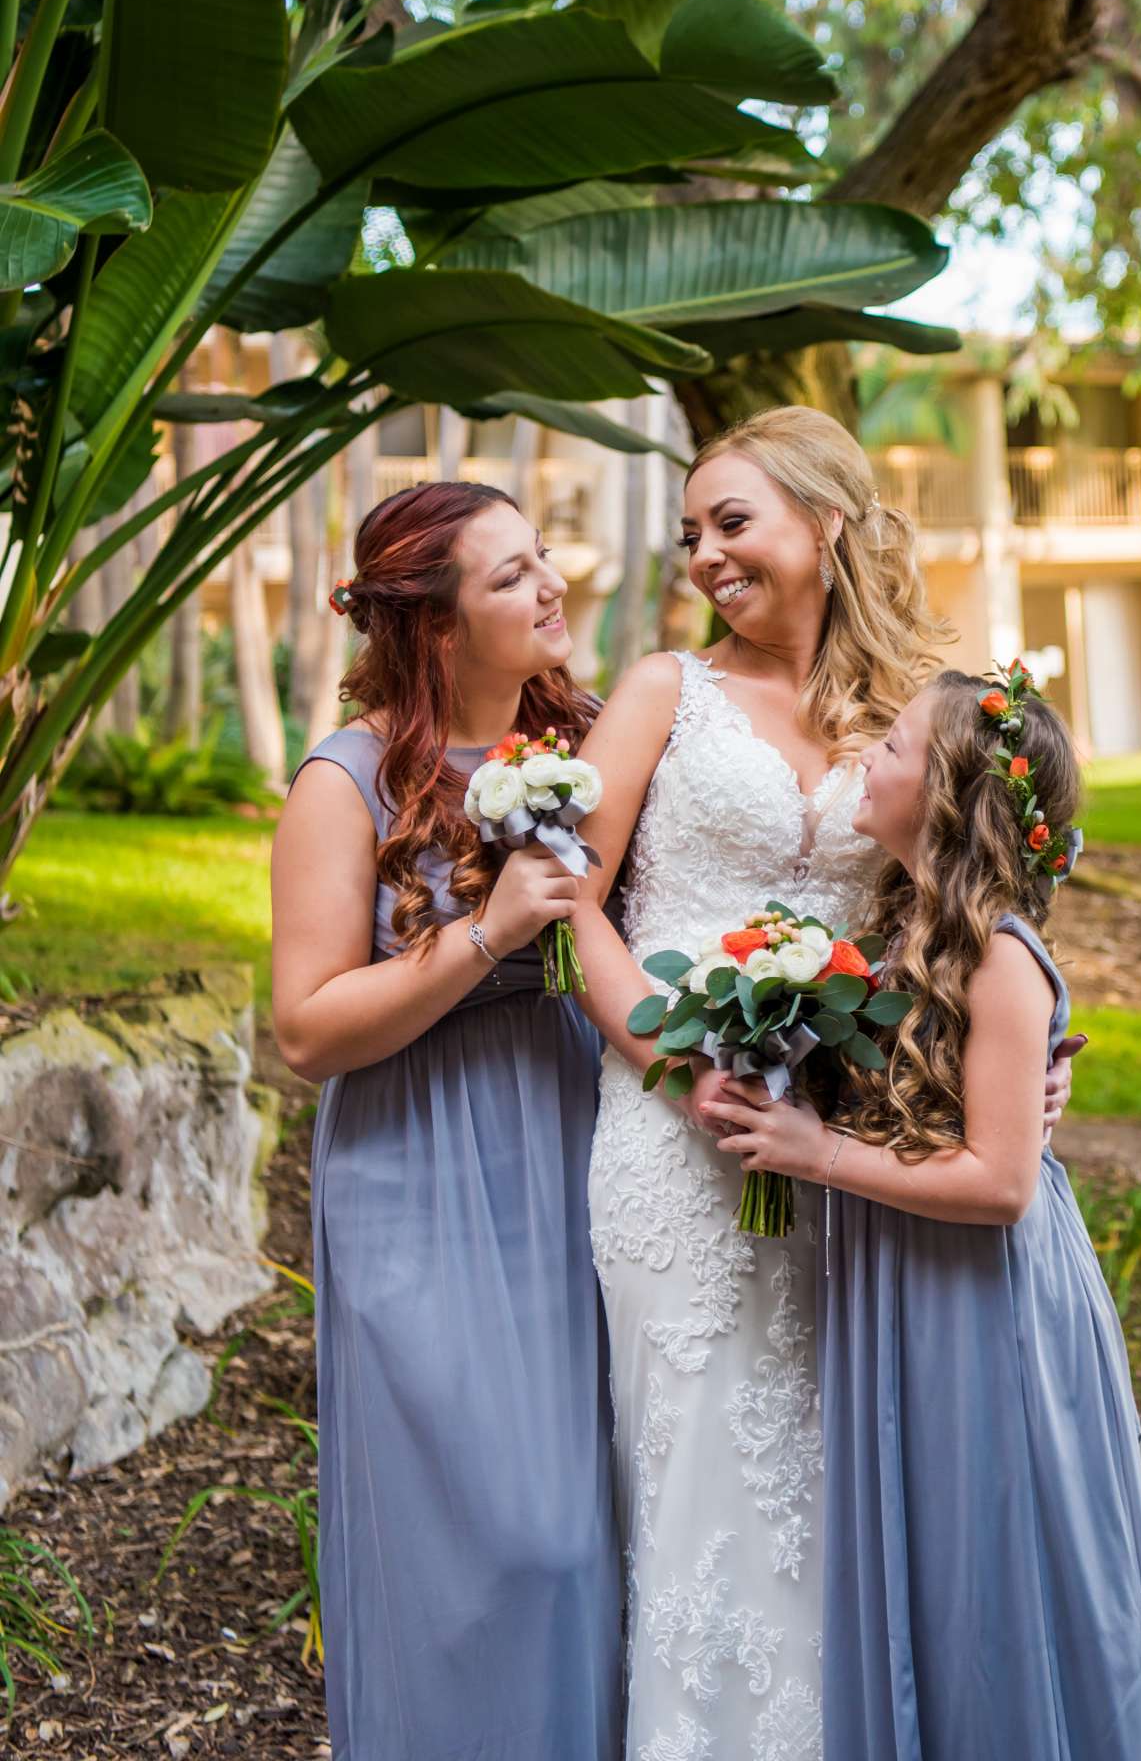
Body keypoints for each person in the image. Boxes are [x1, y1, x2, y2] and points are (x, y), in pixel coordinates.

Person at [710, 666, 1141, 1761]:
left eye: (892, 751)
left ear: (942, 795)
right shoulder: (892, 935)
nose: (866, 760)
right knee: (922, 1554)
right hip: (900, 1281)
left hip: (984, 1305)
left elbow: (1002, 1183)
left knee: (993, 1560)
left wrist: (814, 1152)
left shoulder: (1001, 959)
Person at [569, 410, 1075, 1761]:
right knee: (692, 1463)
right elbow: (573, 912)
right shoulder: (659, 694)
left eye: (731, 521)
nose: (703, 555)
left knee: (846, 1459)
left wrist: (1012, 1071)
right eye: (689, 533)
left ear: (827, 522)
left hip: (849, 1139)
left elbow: (970, 911)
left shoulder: (920, 703)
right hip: (672, 1141)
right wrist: (683, 1074)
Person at [270, 482, 621, 1761]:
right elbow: (307, 1028)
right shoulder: (346, 779)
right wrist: (488, 933)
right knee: (495, 1542)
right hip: (421, 1164)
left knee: (608, 1529)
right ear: (433, 626)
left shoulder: (594, 739)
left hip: (584, 1139)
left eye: (544, 561)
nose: (551, 588)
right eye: (513, 576)